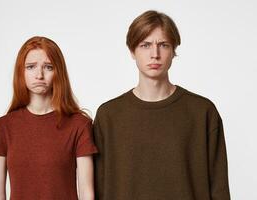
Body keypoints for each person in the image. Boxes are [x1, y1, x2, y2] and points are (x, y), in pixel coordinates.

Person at [93, 10, 230, 200]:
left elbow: (219, 188)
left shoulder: (202, 112)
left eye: (163, 45)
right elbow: (98, 189)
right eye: (145, 45)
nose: (154, 54)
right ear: (132, 51)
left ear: (174, 51)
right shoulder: (109, 115)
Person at [0, 36, 98, 200]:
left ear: (58, 72)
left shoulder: (79, 125)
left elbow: (87, 193)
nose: (39, 75)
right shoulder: (2, 127)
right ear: (21, 72)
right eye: (31, 67)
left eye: (48, 67)